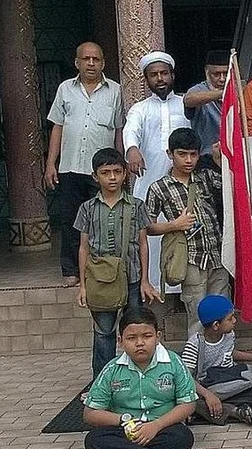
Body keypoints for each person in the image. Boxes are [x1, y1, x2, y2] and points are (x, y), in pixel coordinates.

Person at [83, 307, 199, 449]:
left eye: (147, 336)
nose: (140, 343)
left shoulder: (173, 362)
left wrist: (155, 426)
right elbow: (90, 414)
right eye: (131, 338)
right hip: (123, 432)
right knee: (93, 440)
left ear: (158, 337)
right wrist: (123, 420)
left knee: (183, 438)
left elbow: (188, 404)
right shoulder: (112, 369)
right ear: (120, 341)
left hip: (162, 430)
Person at [75, 148, 160, 378]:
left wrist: (145, 280)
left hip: (132, 278)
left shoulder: (136, 206)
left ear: (125, 174)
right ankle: (102, 381)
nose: (112, 177)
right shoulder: (87, 209)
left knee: (135, 330)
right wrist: (83, 285)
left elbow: (143, 243)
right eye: (105, 172)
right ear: (95, 176)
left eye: (116, 172)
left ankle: (137, 376)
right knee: (103, 333)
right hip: (100, 281)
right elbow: (83, 247)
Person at [45, 42, 124, 288]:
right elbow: (57, 126)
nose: (91, 63)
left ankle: (103, 269)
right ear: (77, 62)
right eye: (86, 59)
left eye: (96, 59)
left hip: (102, 170)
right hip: (70, 167)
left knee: (103, 220)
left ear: (103, 63)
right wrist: (50, 164)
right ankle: (70, 270)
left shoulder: (116, 91)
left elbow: (119, 129)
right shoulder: (65, 89)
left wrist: (120, 166)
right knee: (70, 220)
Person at [144, 128, 228, 338]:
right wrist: (175, 225)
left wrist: (219, 161)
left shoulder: (206, 176)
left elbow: (233, 186)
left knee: (224, 315)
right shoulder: (158, 188)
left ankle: (223, 363)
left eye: (193, 154)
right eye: (182, 154)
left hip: (218, 256)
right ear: (170, 154)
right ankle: (196, 367)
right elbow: (147, 227)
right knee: (197, 318)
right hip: (189, 259)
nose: (189, 160)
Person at [123, 51, 191, 292]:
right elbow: (131, 130)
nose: (159, 78)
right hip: (148, 183)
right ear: (146, 80)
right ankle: (150, 286)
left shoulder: (185, 104)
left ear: (172, 75)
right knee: (148, 235)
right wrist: (131, 149)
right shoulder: (139, 109)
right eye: (154, 75)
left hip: (183, 185)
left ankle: (182, 290)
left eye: (164, 73)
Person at [180, 294, 252, 425]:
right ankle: (233, 411)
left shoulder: (229, 335)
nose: (234, 321)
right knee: (191, 401)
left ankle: (218, 407)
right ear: (216, 325)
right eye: (230, 318)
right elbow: (185, 378)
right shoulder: (195, 344)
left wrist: (251, 357)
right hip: (208, 385)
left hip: (229, 380)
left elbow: (227, 353)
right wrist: (208, 395)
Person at [183, 49, 228, 156]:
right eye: (216, 74)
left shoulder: (239, 90)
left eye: (226, 73)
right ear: (207, 72)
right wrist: (224, 93)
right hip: (207, 158)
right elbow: (189, 100)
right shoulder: (200, 89)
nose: (222, 79)